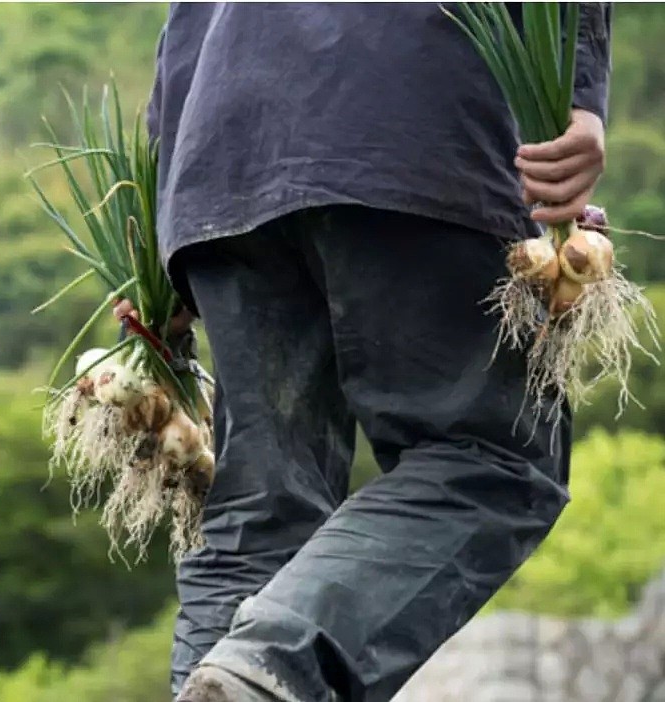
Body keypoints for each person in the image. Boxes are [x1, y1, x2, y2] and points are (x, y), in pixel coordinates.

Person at [114, 4, 613, 701]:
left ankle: (238, 680)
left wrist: (160, 234)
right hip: (409, 126)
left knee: (261, 513)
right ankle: (273, 667)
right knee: (492, 461)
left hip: (220, 155)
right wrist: (581, 99)